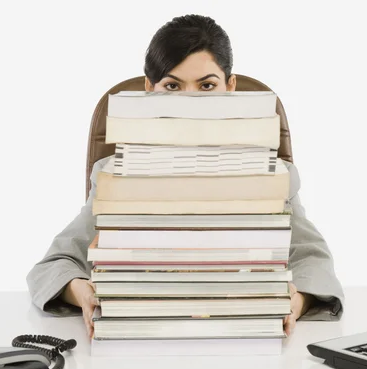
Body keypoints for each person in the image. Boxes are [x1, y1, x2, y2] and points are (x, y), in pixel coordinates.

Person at [27, 14, 345, 339]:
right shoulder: (117, 175)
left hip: (242, 336)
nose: (190, 101)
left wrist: (299, 300)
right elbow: (53, 266)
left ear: (230, 87)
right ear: (149, 89)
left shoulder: (270, 175)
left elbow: (312, 258)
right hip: (142, 336)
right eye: (172, 86)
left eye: (207, 86)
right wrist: (82, 292)